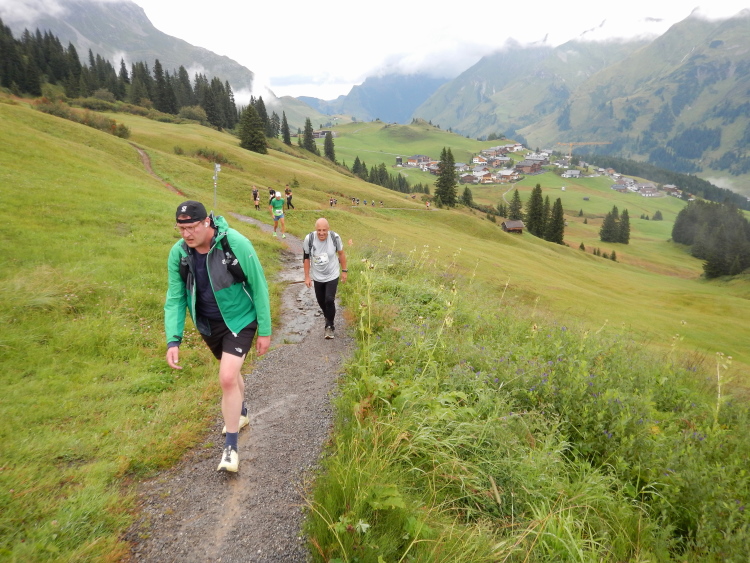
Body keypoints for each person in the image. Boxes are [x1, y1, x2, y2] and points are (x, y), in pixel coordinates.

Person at [165, 201, 271, 473]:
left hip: (240, 320)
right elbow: (175, 297)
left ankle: (231, 449)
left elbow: (258, 285)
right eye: (181, 229)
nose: (187, 234)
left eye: (192, 227)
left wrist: (265, 330)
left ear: (206, 222)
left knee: (226, 377)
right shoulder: (179, 253)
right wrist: (173, 339)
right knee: (231, 375)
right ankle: (241, 412)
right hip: (208, 325)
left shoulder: (235, 243)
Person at [303, 218, 347, 339]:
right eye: (319, 230)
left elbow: (341, 254)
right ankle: (328, 316)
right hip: (317, 276)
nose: (321, 233)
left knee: (329, 299)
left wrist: (344, 271)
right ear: (315, 229)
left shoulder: (335, 237)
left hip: (332, 274)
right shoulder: (309, 239)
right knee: (321, 301)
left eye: (324, 230)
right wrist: (307, 277)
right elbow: (306, 258)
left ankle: (329, 326)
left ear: (328, 229)